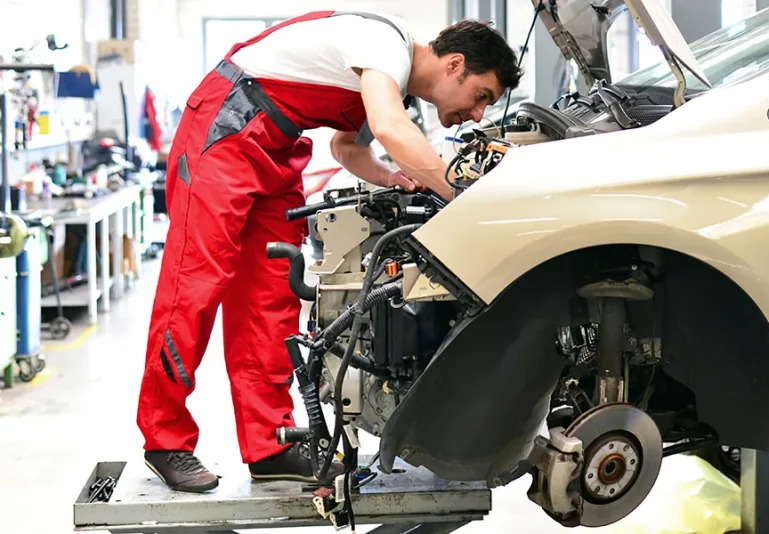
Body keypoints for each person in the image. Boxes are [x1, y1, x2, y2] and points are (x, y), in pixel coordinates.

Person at [136, 11, 521, 493]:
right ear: (454, 64)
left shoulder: (391, 83)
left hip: (275, 147)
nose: (479, 113)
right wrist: (455, 192)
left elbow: (347, 148)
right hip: (226, 126)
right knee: (193, 286)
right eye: (481, 95)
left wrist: (394, 178)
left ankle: (270, 445)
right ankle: (164, 439)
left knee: (270, 299)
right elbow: (388, 129)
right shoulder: (387, 45)